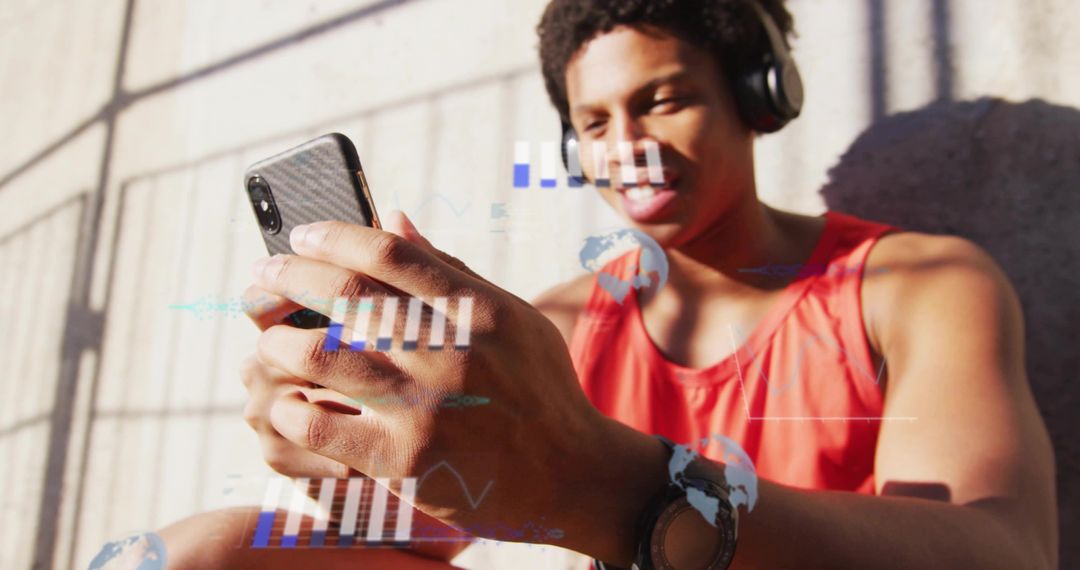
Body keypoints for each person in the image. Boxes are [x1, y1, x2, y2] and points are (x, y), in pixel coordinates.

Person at [159, 0, 1058, 568]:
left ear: (759, 95)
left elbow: (1001, 552)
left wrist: (607, 482)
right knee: (197, 555)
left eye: (663, 100)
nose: (626, 144)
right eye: (593, 121)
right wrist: (337, 451)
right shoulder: (558, 322)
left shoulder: (916, 284)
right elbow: (431, 538)